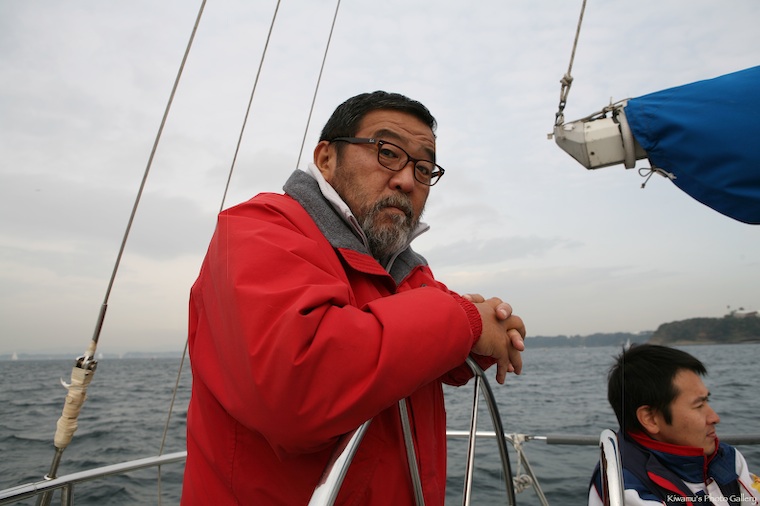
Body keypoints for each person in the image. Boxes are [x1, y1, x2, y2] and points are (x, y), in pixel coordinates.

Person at [181, 91, 526, 505]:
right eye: (387, 153)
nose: (407, 180)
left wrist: (485, 333)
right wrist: (466, 320)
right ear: (326, 158)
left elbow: (417, 350)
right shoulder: (258, 229)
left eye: (424, 168)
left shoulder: (404, 269)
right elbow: (300, 386)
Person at [589, 344, 760, 506]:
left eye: (707, 401)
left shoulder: (727, 458)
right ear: (650, 419)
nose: (714, 418)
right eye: (698, 405)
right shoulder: (623, 488)